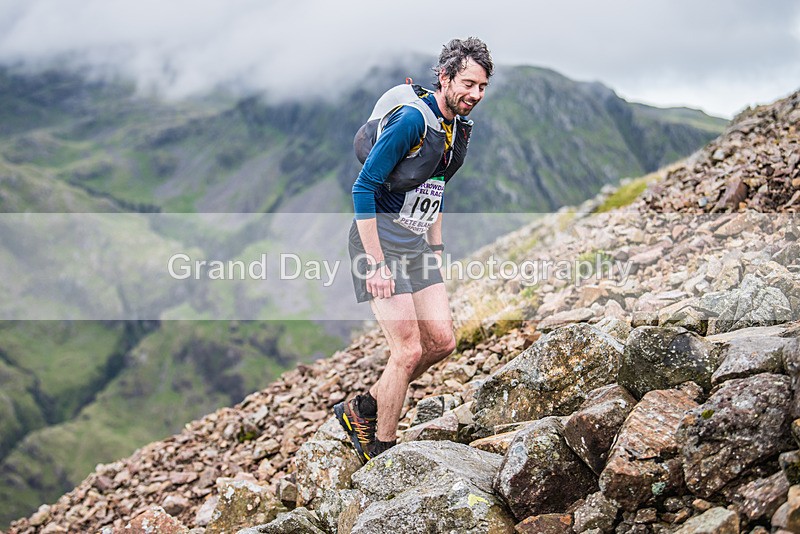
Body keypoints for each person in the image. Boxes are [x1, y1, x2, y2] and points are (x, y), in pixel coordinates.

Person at [334, 37, 493, 463]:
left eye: (482, 87)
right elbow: (363, 188)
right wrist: (376, 265)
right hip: (380, 241)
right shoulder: (410, 120)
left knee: (441, 342)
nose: (475, 95)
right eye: (468, 83)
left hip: (416, 243)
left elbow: (435, 188)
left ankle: (364, 407)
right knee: (407, 350)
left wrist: (436, 247)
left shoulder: (457, 127)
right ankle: (382, 452)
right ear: (444, 78)